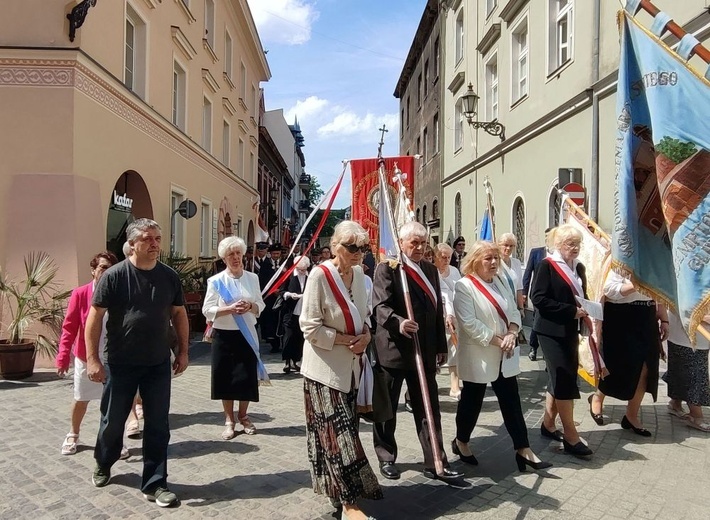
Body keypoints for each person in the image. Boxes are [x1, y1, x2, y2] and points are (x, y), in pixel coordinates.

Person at [86, 218, 189, 507]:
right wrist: (93, 359)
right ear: (132, 244)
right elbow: (94, 318)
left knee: (158, 424)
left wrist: (182, 351)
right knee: (112, 421)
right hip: (120, 362)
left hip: (157, 363)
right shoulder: (115, 276)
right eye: (148, 238)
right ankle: (104, 462)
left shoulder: (169, 276)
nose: (155, 244)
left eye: (158, 238)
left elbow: (179, 313)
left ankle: (155, 483)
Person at [300, 220, 382, 520]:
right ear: (336, 247)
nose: (359, 253)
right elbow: (309, 327)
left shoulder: (361, 275)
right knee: (339, 437)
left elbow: (367, 315)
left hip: (352, 371)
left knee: (342, 434)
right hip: (323, 371)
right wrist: (348, 340)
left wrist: (367, 336)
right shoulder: (319, 276)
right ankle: (350, 505)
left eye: (363, 247)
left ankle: (338, 491)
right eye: (352, 247)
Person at [372, 221, 462, 483]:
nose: (420, 247)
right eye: (414, 243)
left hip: (424, 351)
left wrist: (441, 346)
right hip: (394, 350)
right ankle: (386, 456)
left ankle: (435, 459)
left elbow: (436, 311)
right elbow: (379, 306)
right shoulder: (388, 269)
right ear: (401, 243)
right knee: (387, 408)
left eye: (423, 243)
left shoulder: (431, 271)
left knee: (429, 408)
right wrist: (398, 322)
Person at [452, 241, 551, 471]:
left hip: (504, 356)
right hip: (480, 355)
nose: (494, 262)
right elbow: (469, 324)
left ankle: (523, 449)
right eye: (488, 258)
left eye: (495, 257)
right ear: (475, 260)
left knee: (512, 402)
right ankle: (461, 441)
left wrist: (513, 332)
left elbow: (515, 311)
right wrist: (500, 340)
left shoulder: (499, 282)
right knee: (471, 403)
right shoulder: (464, 286)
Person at [56, 251, 132, 459]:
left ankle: (116, 440)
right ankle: (73, 434)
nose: (106, 272)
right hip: (86, 356)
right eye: (102, 268)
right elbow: (69, 327)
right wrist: (63, 356)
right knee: (81, 398)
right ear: (93, 270)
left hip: (114, 357)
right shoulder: (81, 294)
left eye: (110, 268)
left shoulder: (120, 295)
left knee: (115, 402)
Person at [531, 224, 593, 459]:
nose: (574, 248)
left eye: (577, 244)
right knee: (564, 379)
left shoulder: (580, 268)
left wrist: (588, 310)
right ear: (558, 245)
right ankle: (570, 435)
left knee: (558, 378)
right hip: (549, 331)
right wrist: (570, 311)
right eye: (569, 244)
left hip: (569, 330)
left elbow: (582, 297)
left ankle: (548, 425)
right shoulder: (547, 266)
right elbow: (538, 299)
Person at [588, 271, 668, 436]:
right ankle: (597, 398)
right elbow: (609, 289)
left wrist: (664, 318)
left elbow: (661, 292)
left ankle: (631, 415)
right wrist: (635, 286)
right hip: (620, 316)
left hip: (646, 315)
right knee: (615, 365)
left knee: (646, 367)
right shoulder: (622, 259)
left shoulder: (655, 262)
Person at [203, 236, 268, 439]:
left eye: (238, 253)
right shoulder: (216, 281)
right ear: (224, 258)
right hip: (224, 337)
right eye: (231, 254)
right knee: (226, 378)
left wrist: (250, 306)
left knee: (247, 377)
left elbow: (260, 304)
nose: (236, 257)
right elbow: (207, 310)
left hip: (247, 334)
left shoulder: (253, 278)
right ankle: (229, 419)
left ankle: (244, 416)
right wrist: (229, 309)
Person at [665, 312, 710, 432]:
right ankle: (696, 416)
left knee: (681, 370)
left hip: (697, 334)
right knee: (694, 375)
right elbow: (682, 306)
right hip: (688, 333)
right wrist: (704, 317)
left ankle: (675, 403)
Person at [433, 243, 462, 399]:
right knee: (433, 352)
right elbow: (442, 295)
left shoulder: (455, 272)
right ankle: (432, 383)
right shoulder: (430, 272)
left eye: (449, 257)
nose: (446, 260)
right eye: (443, 257)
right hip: (436, 317)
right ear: (435, 257)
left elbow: (460, 292)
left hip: (454, 317)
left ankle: (454, 385)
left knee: (454, 349)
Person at [522, 228, 553, 361]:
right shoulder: (537, 252)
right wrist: (524, 292)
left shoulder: (559, 254)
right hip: (538, 294)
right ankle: (533, 347)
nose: (548, 239)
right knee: (537, 320)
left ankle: (548, 354)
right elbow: (528, 273)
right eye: (546, 236)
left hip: (553, 296)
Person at [281, 255, 310, 373]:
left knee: (299, 337)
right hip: (290, 311)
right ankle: (287, 360)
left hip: (304, 311)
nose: (302, 272)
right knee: (289, 336)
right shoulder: (289, 276)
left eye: (304, 269)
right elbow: (281, 291)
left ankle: (296, 360)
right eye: (300, 269)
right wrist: (289, 294)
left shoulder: (310, 277)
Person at [497, 233, 524, 312]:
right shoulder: (495, 263)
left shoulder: (516, 263)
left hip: (513, 307)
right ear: (499, 245)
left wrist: (521, 308)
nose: (508, 248)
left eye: (511, 246)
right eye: (505, 245)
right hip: (500, 307)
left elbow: (519, 288)